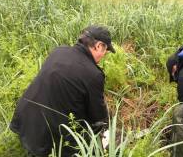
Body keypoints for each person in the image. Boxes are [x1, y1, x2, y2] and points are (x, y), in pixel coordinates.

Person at [10, 25, 116, 157]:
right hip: (48, 138)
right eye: (105, 49)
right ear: (98, 46)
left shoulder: (59, 51)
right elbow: (97, 117)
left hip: (25, 120)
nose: (105, 54)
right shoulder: (94, 74)